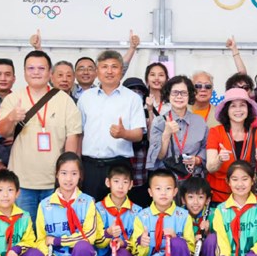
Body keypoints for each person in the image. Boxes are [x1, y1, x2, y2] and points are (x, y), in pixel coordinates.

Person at [0, 50, 82, 221]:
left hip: (55, 182)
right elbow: (2, 131)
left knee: (55, 233)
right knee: (25, 233)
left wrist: (69, 177)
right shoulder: (13, 99)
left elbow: (72, 140)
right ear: (24, 72)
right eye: (31, 68)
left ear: (50, 73)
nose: (36, 72)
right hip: (21, 182)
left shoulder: (64, 100)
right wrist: (11, 117)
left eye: (41, 68)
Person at [35, 152, 104, 256]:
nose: (68, 179)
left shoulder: (88, 202)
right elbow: (41, 239)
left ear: (80, 176)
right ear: (57, 175)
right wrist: (48, 255)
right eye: (64, 173)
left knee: (83, 247)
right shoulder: (45, 205)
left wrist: (58, 240)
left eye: (74, 173)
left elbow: (89, 236)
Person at [76, 50, 146, 201]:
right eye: (104, 67)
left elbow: (139, 134)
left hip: (119, 165)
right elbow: (79, 134)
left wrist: (124, 133)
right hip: (90, 166)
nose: (109, 71)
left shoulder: (132, 99)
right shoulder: (85, 98)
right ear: (97, 71)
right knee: (89, 212)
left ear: (121, 70)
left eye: (114, 67)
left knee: (118, 213)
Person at [29, 29, 140, 99]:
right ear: (74, 74)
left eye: (90, 68)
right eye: (81, 69)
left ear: (97, 72)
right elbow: (51, 74)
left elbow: (120, 69)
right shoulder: (66, 86)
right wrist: (38, 48)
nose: (86, 72)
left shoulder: (102, 90)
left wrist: (132, 48)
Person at [205, 88, 257, 204]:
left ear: (248, 109)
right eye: (233, 106)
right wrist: (219, 159)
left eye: (242, 105)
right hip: (219, 196)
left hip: (247, 196)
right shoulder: (216, 131)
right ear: (226, 110)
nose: (238, 110)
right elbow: (210, 167)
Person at [93, 163, 141, 256]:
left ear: (131, 185)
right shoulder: (97, 209)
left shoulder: (138, 211)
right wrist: (107, 234)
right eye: (116, 181)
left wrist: (124, 243)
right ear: (108, 183)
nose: (120, 186)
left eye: (125, 182)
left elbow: (139, 240)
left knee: (122, 255)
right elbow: (92, 238)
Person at [146, 75, 208, 179]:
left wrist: (197, 160)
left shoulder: (199, 121)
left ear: (189, 96)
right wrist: (166, 134)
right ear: (168, 94)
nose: (179, 96)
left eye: (183, 93)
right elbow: (159, 157)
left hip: (193, 180)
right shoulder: (159, 121)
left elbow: (205, 147)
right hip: (167, 180)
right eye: (175, 92)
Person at [122, 77, 153, 207]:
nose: (136, 94)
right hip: (122, 178)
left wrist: (151, 111)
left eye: (139, 91)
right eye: (132, 91)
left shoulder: (146, 113)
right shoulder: (119, 113)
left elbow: (153, 139)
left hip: (142, 176)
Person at [144, 62, 170, 131]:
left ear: (166, 79)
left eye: (161, 75)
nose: (156, 78)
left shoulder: (172, 102)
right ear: (147, 80)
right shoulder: (141, 102)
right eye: (152, 75)